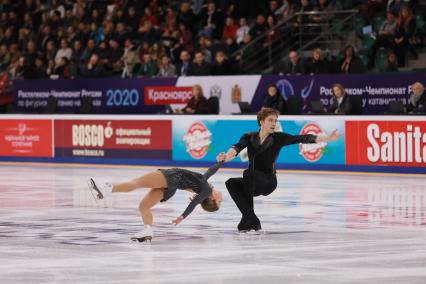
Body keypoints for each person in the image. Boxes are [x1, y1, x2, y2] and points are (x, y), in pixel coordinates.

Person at [218, 108, 340, 232]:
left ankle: (249, 219)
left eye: (275, 121)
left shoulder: (278, 138)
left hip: (268, 182)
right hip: (252, 182)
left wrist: (327, 138)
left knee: (247, 173)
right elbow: (237, 148)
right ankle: (250, 217)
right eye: (270, 120)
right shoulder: (249, 137)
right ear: (261, 121)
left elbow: (302, 138)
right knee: (231, 182)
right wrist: (226, 156)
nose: (274, 124)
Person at [88, 161, 224, 242]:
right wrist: (221, 161)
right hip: (171, 187)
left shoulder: (206, 191)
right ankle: (147, 231)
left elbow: (193, 204)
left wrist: (182, 216)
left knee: (136, 182)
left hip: (172, 177)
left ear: (212, 199)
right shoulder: (205, 187)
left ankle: (106, 190)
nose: (221, 199)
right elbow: (210, 171)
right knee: (143, 207)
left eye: (219, 202)